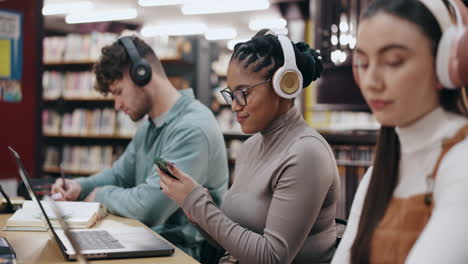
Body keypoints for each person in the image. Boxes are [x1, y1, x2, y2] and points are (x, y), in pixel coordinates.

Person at [158, 29, 340, 264]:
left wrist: (199, 204)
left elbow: (271, 258)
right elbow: (235, 242)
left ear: (284, 85)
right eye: (231, 95)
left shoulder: (307, 154)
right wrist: (195, 210)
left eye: (242, 93)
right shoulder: (251, 146)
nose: (234, 106)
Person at [50, 35, 229, 260]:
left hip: (184, 254)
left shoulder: (193, 128)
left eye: (118, 92)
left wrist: (100, 195)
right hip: (151, 242)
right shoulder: (150, 126)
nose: (117, 105)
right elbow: (120, 175)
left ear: (142, 74)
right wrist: (80, 187)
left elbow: (149, 207)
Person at [332, 0, 468, 263]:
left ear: (445, 63)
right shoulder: (379, 174)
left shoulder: (461, 164)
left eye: (394, 62)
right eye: (363, 63)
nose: (372, 81)